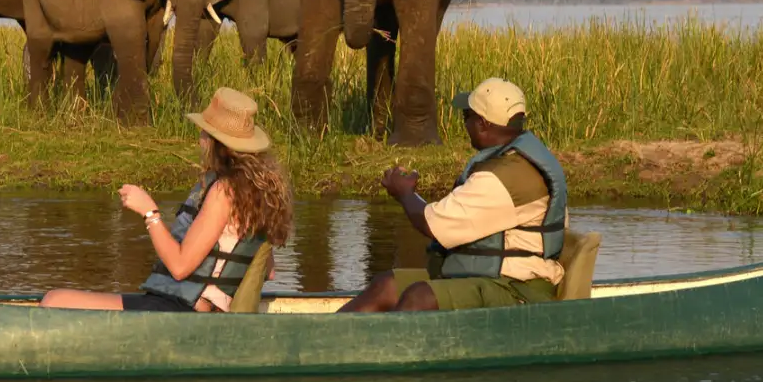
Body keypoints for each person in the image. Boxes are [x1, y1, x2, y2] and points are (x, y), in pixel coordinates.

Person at [41, 88, 293, 312]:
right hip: (189, 307)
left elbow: (180, 267)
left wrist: (150, 212)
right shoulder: (257, 195)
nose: (200, 138)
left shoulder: (223, 192)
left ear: (218, 144)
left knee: (54, 301)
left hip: (182, 309)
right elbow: (267, 271)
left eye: (204, 133)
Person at [343, 77, 568, 313]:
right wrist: (410, 195)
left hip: (517, 289)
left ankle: (391, 349)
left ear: (482, 123)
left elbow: (431, 224)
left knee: (420, 297)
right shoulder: (515, 159)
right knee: (386, 286)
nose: (465, 124)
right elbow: (443, 216)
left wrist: (404, 193)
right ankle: (328, 340)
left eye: (466, 117)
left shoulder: (502, 178)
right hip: (489, 278)